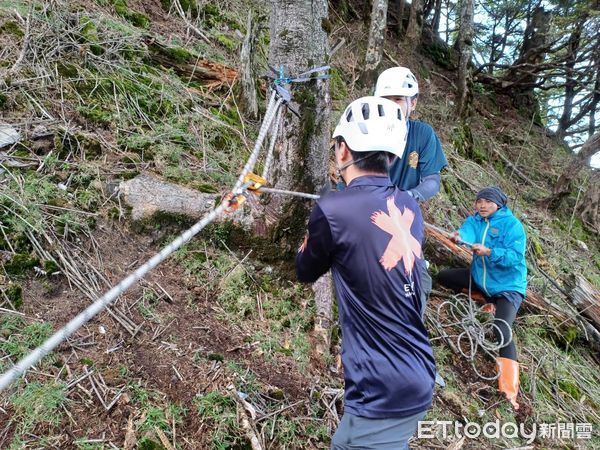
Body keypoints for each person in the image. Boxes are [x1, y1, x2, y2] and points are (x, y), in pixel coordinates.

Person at [296, 96, 436, 449]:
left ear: (343, 151)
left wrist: (315, 223)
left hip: (381, 388)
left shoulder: (332, 210)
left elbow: (305, 269)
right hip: (416, 368)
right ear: (392, 157)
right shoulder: (408, 206)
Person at [437, 186, 527, 410]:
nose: (482, 205)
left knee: (501, 330)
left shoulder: (512, 226)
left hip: (508, 288)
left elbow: (515, 257)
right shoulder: (475, 220)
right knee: (443, 276)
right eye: (479, 201)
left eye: (487, 201)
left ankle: (509, 389)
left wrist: (490, 252)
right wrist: (459, 237)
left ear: (499, 204)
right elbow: (466, 232)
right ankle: (483, 299)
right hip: (481, 281)